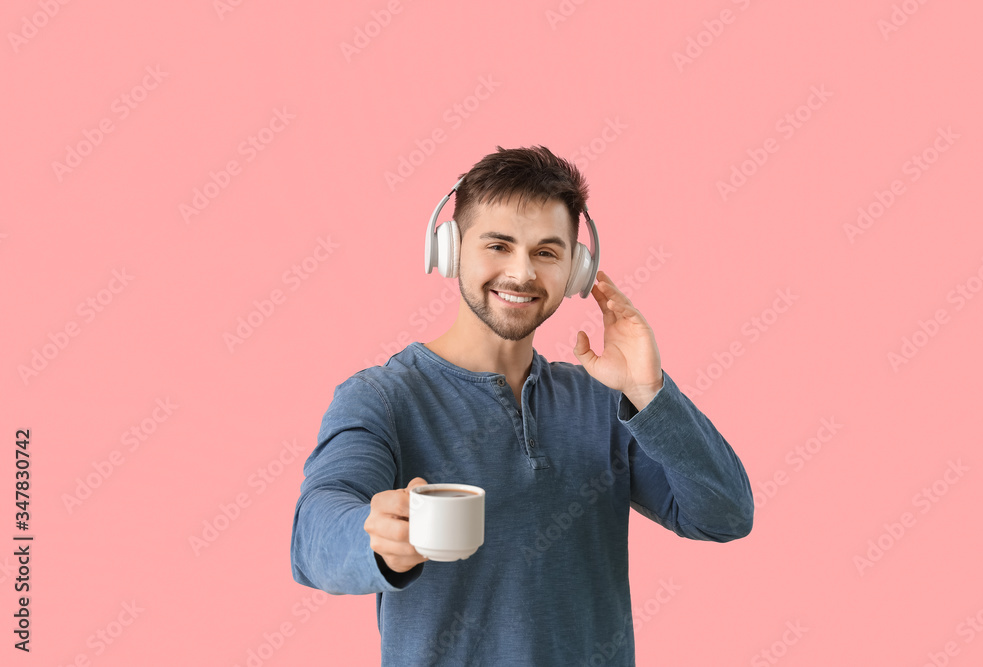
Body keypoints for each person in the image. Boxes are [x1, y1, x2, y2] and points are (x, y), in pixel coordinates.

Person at [290, 145, 754, 666]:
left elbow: (726, 515)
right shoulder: (383, 397)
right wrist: (375, 539)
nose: (522, 273)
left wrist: (650, 393)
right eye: (499, 245)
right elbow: (314, 535)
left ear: (577, 271)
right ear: (450, 250)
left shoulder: (604, 402)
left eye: (547, 252)